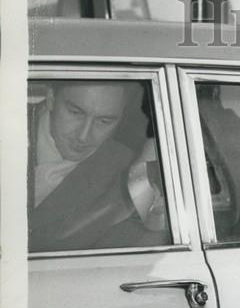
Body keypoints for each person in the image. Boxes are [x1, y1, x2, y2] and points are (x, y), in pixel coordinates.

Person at [28, 80, 163, 251]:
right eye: (75, 113)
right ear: (51, 99)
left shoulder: (126, 170)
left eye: (104, 121)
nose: (84, 136)